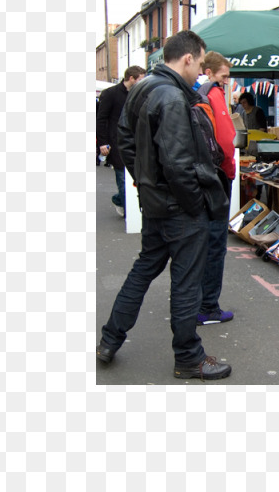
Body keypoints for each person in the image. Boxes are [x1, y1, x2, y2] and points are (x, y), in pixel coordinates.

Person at [96, 30, 232, 381]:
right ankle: (188, 357)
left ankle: (110, 339)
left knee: (143, 269)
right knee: (186, 283)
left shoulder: (145, 86)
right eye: (200, 63)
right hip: (178, 208)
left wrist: (145, 183)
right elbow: (178, 163)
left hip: (156, 203)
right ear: (188, 58)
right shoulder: (172, 97)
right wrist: (193, 204)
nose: (201, 71)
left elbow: (125, 139)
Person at [196, 51, 237, 325]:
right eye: (223, 76)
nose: (226, 81)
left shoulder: (198, 93)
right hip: (217, 178)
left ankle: (196, 302)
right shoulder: (213, 93)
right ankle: (207, 307)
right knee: (215, 244)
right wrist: (230, 169)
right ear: (209, 73)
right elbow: (224, 140)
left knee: (203, 243)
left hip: (205, 177)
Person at [96, 66, 146, 216]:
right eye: (140, 79)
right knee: (122, 177)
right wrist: (103, 143)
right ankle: (129, 212)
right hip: (116, 141)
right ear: (131, 78)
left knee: (134, 177)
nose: (142, 83)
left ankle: (119, 199)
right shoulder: (110, 94)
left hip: (136, 142)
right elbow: (101, 119)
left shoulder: (140, 94)